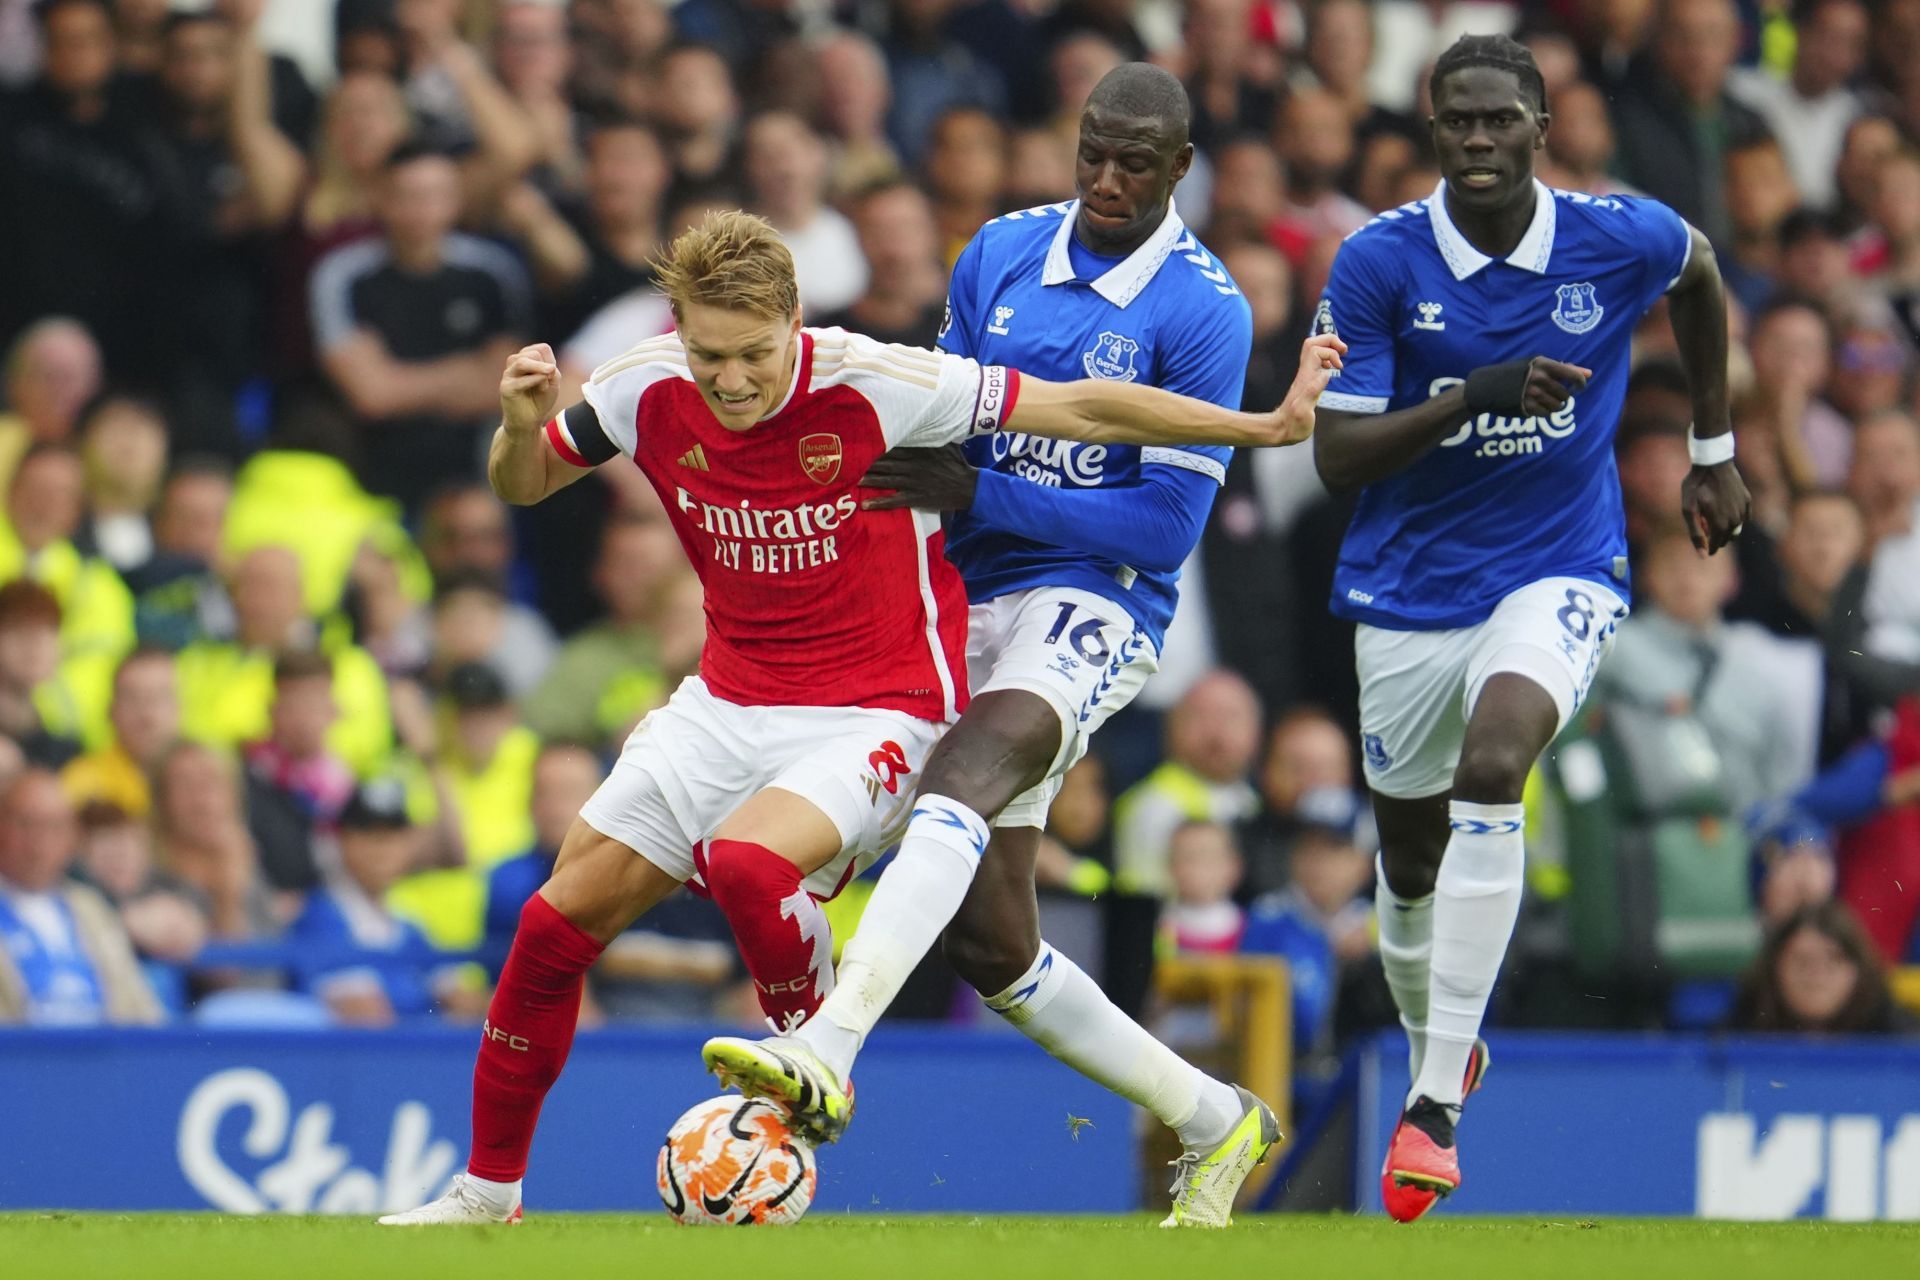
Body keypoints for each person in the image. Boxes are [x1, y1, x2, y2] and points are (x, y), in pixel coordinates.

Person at [378, 207, 1340, 1226]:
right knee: (547, 925)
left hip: (879, 708)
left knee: (749, 864)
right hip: (724, 699)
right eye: (711, 355)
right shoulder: (638, 384)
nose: (733, 380)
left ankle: (814, 1051)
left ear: (795, 320)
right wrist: (523, 424)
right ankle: (487, 1192)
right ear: (677, 328)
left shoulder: (879, 379)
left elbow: (1084, 408)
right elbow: (524, 484)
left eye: (755, 353)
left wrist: (1262, 426)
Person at [706, 63, 1289, 1229]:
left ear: (1181, 171)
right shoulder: (1000, 252)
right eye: (1092, 153)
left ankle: (831, 1041)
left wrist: (993, 495)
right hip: (968, 588)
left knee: (964, 772)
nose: (1107, 180)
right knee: (992, 939)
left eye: (1136, 162)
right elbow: (945, 420)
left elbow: (1166, 527)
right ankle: (1217, 1115)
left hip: (1097, 599)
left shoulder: (1205, 309)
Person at [1308, 35, 1750, 1221]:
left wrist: (1712, 448)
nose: (1481, 139)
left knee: (1498, 760)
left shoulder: (1619, 234)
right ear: (1432, 128)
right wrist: (1469, 394)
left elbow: (1702, 273)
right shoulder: (1379, 261)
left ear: (1543, 125)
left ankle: (1437, 1101)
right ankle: (1435, 1047)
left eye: (1502, 119)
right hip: (1407, 587)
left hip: (1560, 565)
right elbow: (1337, 453)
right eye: (1459, 121)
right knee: (1405, 869)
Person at [0, 768, 160, 1024]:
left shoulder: (92, 908)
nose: (37, 842)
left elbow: (140, 1009)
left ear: (71, 837)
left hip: (103, 1056)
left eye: (53, 826)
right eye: (25, 824)